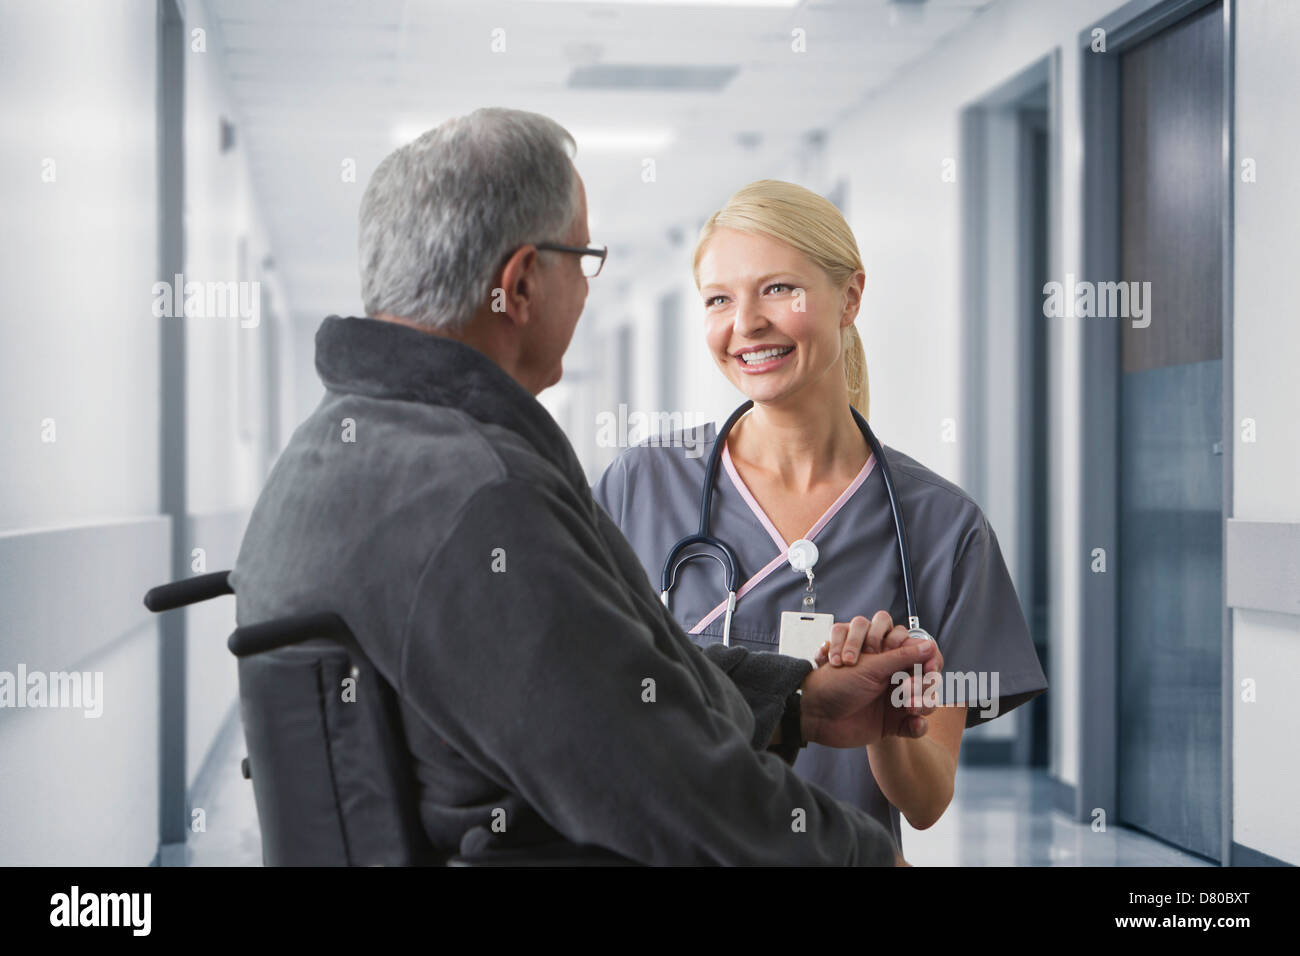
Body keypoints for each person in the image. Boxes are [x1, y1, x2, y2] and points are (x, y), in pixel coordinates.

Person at [231, 108, 943, 866]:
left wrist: (794, 701)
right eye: (582, 256)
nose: (587, 282)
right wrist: (865, 858)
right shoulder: (482, 498)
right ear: (522, 284)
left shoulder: (336, 453)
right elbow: (672, 790)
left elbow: (612, 688)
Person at [592, 179, 1048, 852]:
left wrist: (892, 725)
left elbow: (926, 802)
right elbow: (587, 702)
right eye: (720, 299)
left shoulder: (944, 529)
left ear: (850, 297)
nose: (745, 323)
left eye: (778, 289)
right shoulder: (642, 484)